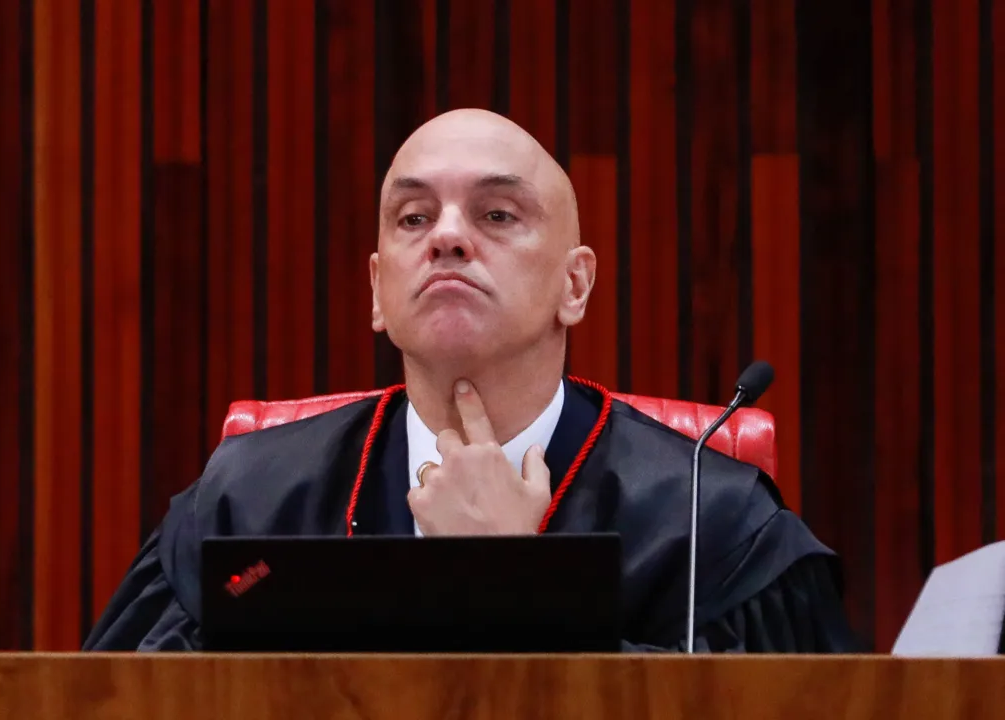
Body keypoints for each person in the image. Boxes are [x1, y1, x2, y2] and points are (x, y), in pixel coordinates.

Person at [84, 108, 857, 652]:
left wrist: (514, 594)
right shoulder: (247, 500)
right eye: (414, 218)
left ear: (575, 285)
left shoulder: (710, 518)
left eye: (496, 215)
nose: (448, 236)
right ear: (378, 291)